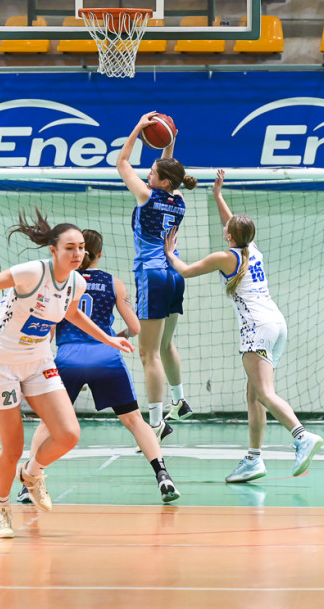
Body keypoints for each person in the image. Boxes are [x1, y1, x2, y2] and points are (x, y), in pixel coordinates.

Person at [0, 210, 134, 538]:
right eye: (70, 248)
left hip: (37, 360)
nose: (77, 254)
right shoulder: (34, 272)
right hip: (2, 363)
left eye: (81, 248)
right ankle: (1, 508)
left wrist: (108, 339)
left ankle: (32, 474)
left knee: (68, 434)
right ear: (53, 250)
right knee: (12, 448)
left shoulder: (77, 282)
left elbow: (73, 314)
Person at [164, 170, 323, 483]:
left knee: (263, 393)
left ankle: (302, 436)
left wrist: (170, 253)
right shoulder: (253, 249)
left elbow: (185, 271)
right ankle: (254, 459)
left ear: (229, 236)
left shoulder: (225, 257)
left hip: (257, 328)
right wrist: (218, 196)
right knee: (253, 395)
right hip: (276, 324)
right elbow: (233, 223)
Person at [19, 229, 179, 505]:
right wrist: (117, 336)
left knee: (49, 422)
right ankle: (163, 475)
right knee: (134, 420)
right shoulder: (113, 283)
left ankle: (28, 484)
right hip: (105, 357)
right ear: (100, 254)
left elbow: (48, 330)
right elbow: (135, 327)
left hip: (68, 357)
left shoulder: (63, 282)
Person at [117, 111, 198, 443]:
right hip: (174, 274)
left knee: (147, 353)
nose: (147, 173)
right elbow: (167, 169)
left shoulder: (147, 196)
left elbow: (122, 163)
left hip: (152, 275)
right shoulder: (179, 200)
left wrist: (138, 127)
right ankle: (180, 401)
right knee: (166, 345)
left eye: (151, 172)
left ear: (162, 181)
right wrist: (170, 140)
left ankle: (155, 423)